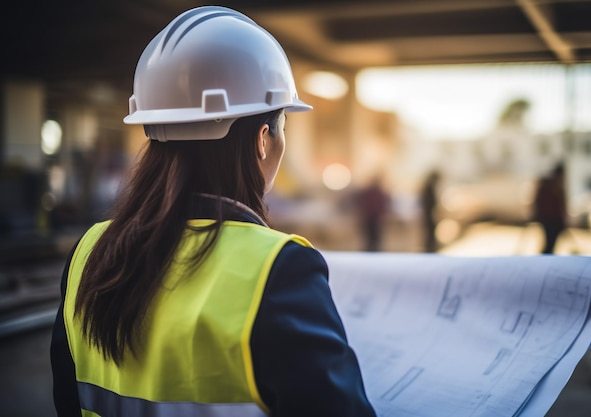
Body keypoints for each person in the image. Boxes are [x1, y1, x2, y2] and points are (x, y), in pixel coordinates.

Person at [50, 6, 376, 417]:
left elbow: (67, 400)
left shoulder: (88, 253)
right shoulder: (280, 271)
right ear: (262, 139)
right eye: (282, 127)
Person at [532, 162, 567, 254]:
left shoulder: (550, 184)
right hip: (551, 220)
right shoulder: (552, 185)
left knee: (550, 243)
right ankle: (545, 260)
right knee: (550, 244)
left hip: (550, 220)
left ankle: (546, 258)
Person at [355, 176, 391, 251]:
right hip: (372, 216)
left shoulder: (369, 192)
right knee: (372, 234)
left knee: (372, 234)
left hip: (372, 216)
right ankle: (373, 248)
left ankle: (372, 248)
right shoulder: (378, 192)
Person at [419, 170, 440, 253]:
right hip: (428, 214)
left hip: (427, 214)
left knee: (429, 232)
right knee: (429, 232)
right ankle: (430, 248)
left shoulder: (427, 188)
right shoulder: (429, 189)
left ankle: (430, 247)